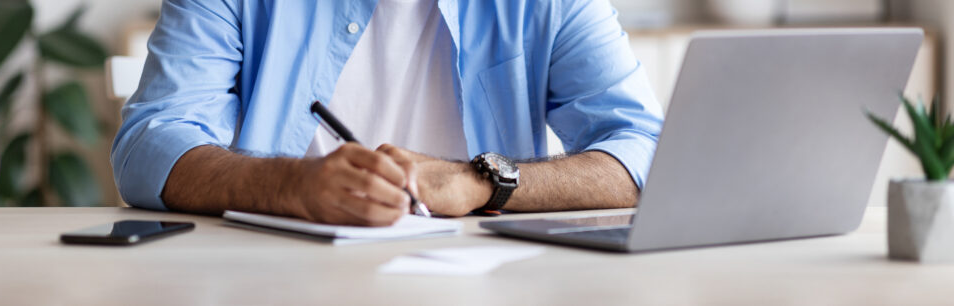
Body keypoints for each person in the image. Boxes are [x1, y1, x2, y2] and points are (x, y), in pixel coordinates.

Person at [111, 0, 664, 226]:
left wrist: (480, 182)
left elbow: (646, 150)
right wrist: (290, 185)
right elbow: (149, 144)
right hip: (274, 281)